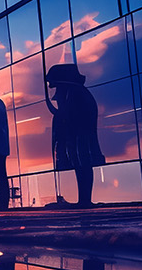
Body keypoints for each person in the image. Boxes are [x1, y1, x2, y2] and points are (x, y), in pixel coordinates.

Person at [45, 64, 106, 207]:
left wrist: (59, 114)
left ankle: (85, 200)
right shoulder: (75, 92)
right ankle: (83, 199)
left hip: (80, 135)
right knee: (80, 165)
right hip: (76, 135)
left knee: (83, 165)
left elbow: (69, 114)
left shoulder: (75, 92)